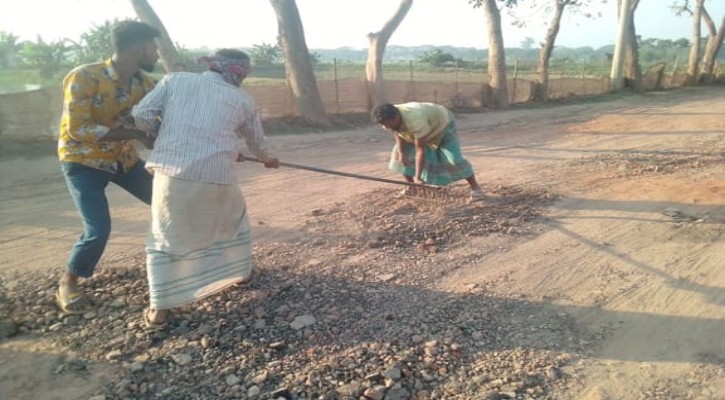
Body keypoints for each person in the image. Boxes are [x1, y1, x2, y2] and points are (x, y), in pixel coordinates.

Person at [131, 49, 280, 329]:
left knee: (167, 235)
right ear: (235, 73)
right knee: (231, 222)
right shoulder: (242, 99)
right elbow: (257, 142)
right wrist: (267, 159)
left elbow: (142, 114)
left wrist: (164, 136)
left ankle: (159, 308)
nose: (244, 81)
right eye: (244, 75)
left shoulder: (174, 80)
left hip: (171, 175)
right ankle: (239, 273)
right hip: (217, 177)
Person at [56, 20, 160, 314]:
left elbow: (160, 119)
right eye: (153, 48)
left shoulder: (146, 84)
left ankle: (178, 263)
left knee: (167, 203)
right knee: (97, 229)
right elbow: (79, 129)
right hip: (83, 161)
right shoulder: (84, 77)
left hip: (122, 160)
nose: (156, 55)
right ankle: (69, 281)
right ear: (138, 47)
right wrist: (137, 134)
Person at [370, 102, 484, 201]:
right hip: (424, 125)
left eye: (388, 124)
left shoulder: (414, 120)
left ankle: (476, 189)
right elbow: (398, 131)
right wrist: (402, 153)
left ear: (396, 117)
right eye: (383, 125)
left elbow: (420, 149)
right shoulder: (389, 116)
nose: (386, 127)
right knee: (400, 155)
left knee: (454, 159)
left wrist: (418, 177)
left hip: (442, 124)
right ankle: (411, 187)